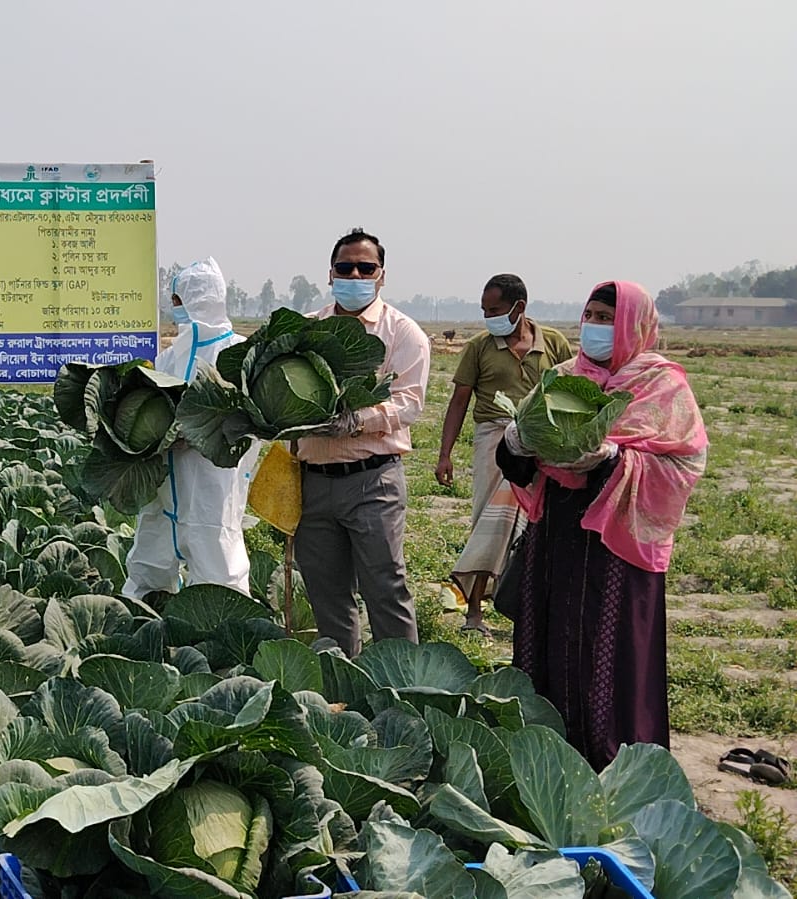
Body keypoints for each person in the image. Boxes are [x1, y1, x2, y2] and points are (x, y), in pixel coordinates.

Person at [499, 281, 706, 769]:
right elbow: (515, 460)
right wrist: (516, 443)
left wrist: (614, 458)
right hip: (557, 537)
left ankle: (615, 766)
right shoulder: (565, 377)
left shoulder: (662, 386)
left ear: (634, 325)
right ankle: (548, 761)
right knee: (549, 647)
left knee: (608, 658)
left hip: (618, 545)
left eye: (606, 318)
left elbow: (683, 465)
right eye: (589, 314)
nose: (593, 326)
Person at [293, 229, 430, 656]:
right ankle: (342, 687)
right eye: (345, 267)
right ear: (330, 275)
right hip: (312, 482)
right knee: (326, 594)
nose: (355, 274)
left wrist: (356, 420)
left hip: (372, 481)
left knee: (385, 587)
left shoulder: (403, 333)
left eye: (365, 268)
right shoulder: (306, 330)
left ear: (381, 276)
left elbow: (409, 404)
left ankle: (403, 685)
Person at [435, 274, 573, 633]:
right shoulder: (480, 347)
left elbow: (572, 392)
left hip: (542, 446)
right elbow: (459, 401)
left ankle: (530, 613)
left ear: (519, 307)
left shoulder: (554, 344)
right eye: (484, 310)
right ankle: (474, 613)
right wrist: (444, 453)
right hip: (494, 444)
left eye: (494, 310)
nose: (488, 317)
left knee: (537, 528)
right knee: (488, 524)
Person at [122, 257, 257, 600]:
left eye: (179, 301)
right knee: (149, 562)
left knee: (218, 569)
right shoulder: (171, 356)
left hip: (213, 485)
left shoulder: (238, 352)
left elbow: (248, 421)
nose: (174, 309)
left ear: (199, 300)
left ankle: (221, 643)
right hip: (164, 484)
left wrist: (195, 431)